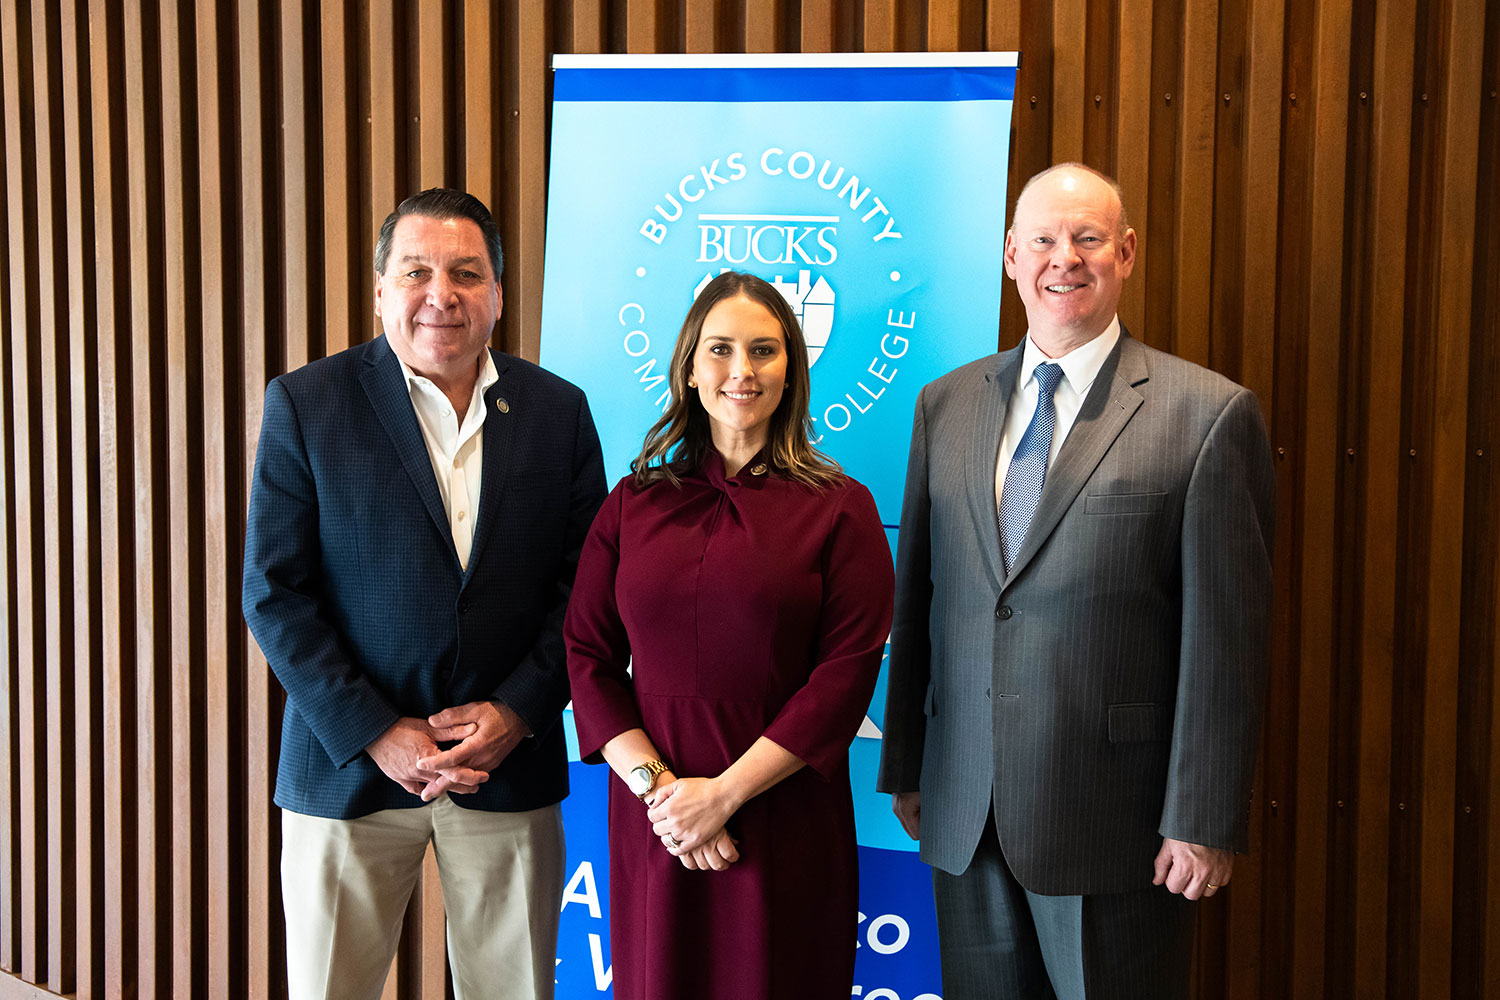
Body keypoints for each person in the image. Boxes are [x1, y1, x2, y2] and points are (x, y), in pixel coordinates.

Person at [876, 164, 1275, 999]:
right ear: (1011, 257)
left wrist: (1201, 819)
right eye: (1046, 241)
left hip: (1119, 825)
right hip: (965, 809)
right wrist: (908, 764)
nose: (1067, 258)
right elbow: (919, 602)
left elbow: (1225, 644)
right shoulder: (944, 406)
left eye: (1089, 238)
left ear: (1125, 253)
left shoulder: (1205, 413)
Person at [242, 188, 606, 1000]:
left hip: (504, 769)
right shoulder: (307, 403)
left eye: (466, 273)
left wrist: (516, 713)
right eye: (417, 271)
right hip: (348, 771)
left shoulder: (559, 412)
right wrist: (376, 731)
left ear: (499, 295)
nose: (441, 293)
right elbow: (274, 592)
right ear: (380, 290)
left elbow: (587, 589)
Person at [564, 271, 894, 1000]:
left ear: (791, 369)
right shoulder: (632, 503)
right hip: (657, 822)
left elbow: (846, 674)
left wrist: (724, 796)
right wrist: (668, 798)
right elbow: (586, 656)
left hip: (782, 819)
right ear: (688, 366)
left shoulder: (841, 510)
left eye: (764, 351)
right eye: (720, 349)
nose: (742, 371)